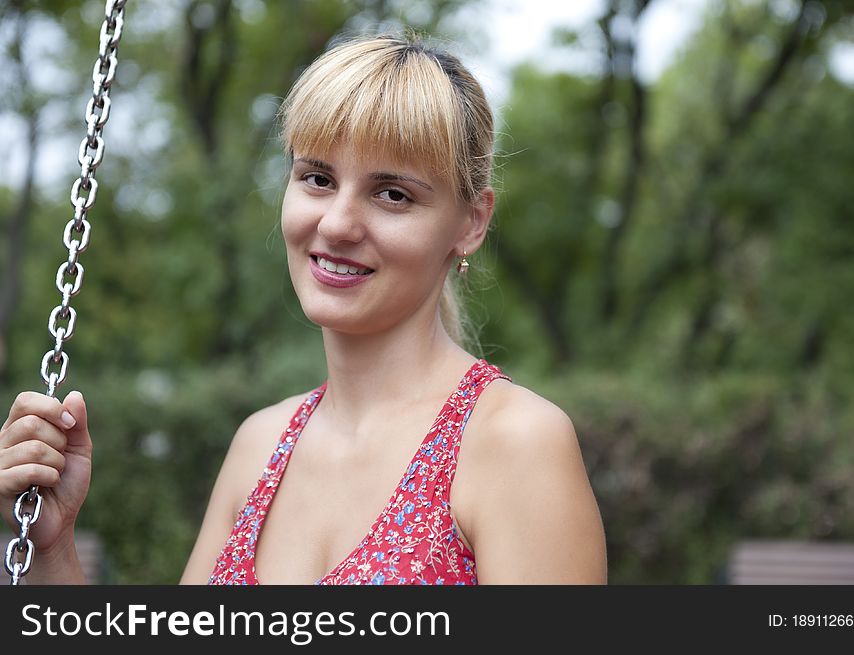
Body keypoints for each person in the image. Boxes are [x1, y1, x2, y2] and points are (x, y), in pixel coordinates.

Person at [1, 34, 606, 585]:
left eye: (392, 194)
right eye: (317, 178)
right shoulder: (260, 446)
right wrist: (51, 552)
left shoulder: (513, 444)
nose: (337, 223)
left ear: (472, 222)